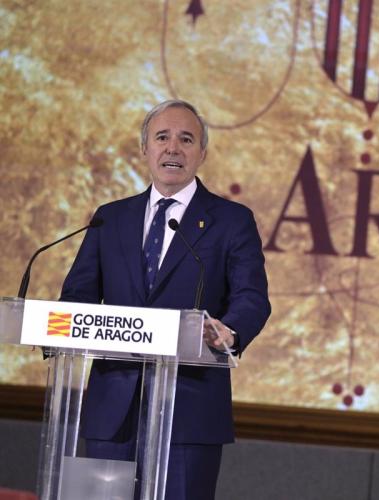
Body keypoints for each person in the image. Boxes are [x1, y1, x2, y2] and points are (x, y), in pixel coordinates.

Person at [60, 99, 271, 499]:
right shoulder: (110, 217)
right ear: (145, 148)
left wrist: (229, 331)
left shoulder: (231, 220)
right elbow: (76, 296)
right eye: (162, 137)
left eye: (186, 139)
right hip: (112, 411)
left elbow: (252, 297)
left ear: (202, 153)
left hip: (190, 411)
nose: (173, 148)